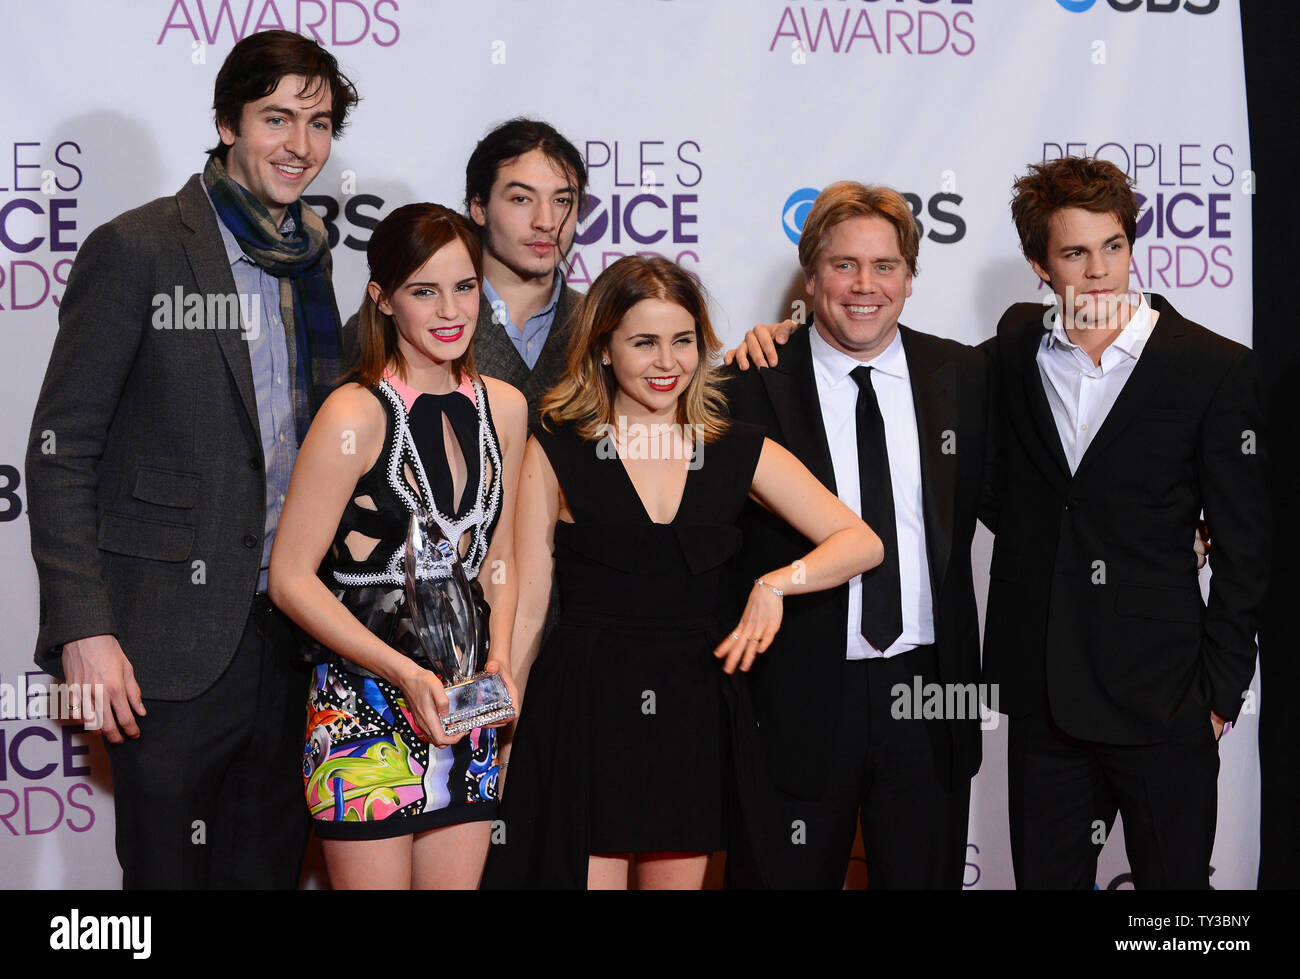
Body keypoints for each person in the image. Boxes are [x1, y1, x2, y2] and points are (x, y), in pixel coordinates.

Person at [24, 30, 358, 889]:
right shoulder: (138, 247)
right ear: (225, 122)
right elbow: (62, 451)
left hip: (291, 632)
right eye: (276, 118)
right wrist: (85, 627)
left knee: (267, 871)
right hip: (165, 641)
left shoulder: (311, 262)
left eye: (318, 124)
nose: (299, 145)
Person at [483, 255, 881, 889]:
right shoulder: (555, 447)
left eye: (683, 341)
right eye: (644, 342)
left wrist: (777, 584)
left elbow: (860, 542)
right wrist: (506, 740)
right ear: (604, 349)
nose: (667, 362)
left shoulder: (735, 446)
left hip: (696, 707)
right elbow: (528, 607)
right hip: (584, 709)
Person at [983, 156, 1270, 888]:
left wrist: (1217, 697)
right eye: (1076, 252)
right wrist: (784, 339)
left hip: (1165, 702)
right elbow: (906, 366)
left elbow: (1245, 546)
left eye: (1113, 245)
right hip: (1046, 705)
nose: (1101, 270)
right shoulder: (1015, 349)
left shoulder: (1212, 367)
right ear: (1040, 265)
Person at [721, 182, 993, 889]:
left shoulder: (964, 374)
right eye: (843, 266)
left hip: (928, 697)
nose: (864, 285)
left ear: (909, 277)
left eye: (884, 265)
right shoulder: (748, 383)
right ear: (811, 279)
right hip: (795, 699)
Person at [268, 204, 527, 889]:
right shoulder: (352, 411)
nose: (450, 309)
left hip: (466, 706)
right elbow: (291, 578)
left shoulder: (505, 405)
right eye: (423, 290)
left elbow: (499, 559)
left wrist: (502, 657)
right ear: (382, 299)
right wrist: (403, 674)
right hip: (363, 706)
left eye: (465, 286)